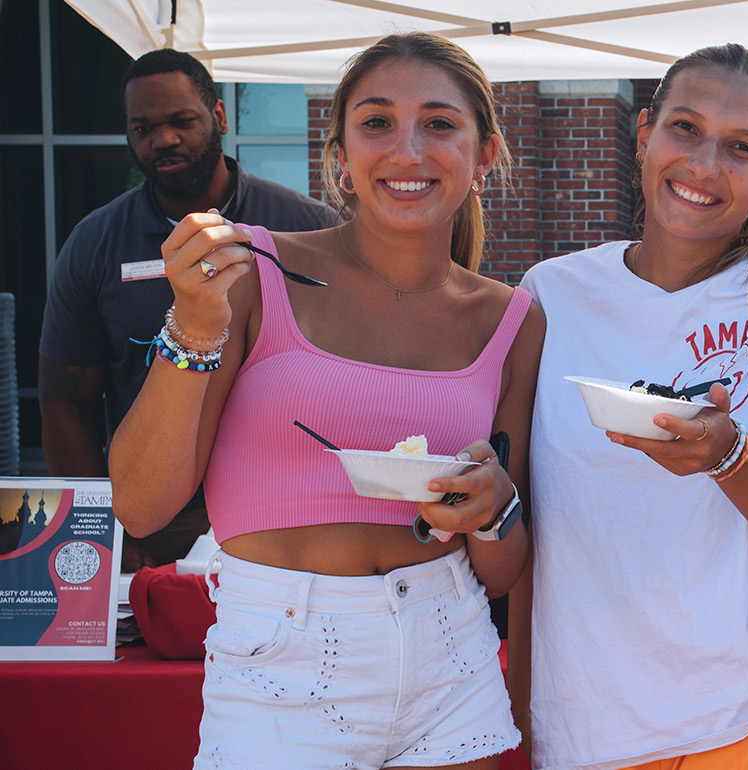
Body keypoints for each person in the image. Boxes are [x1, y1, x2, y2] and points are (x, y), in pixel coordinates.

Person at [107, 32, 543, 769]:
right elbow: (142, 506)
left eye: (439, 123)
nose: (407, 150)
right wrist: (192, 326)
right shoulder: (249, 271)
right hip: (278, 664)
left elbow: (501, 572)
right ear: (339, 156)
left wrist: (493, 507)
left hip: (450, 656)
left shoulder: (513, 319)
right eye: (376, 122)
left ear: (485, 155)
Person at [514, 44, 748, 770]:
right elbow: (533, 526)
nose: (705, 165)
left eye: (742, 148)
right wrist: (525, 708)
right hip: (588, 728)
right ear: (644, 134)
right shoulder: (550, 294)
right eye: (684, 128)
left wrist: (730, 457)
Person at [40, 49, 339, 571]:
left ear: (219, 118)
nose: (164, 140)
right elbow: (65, 401)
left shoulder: (307, 228)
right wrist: (104, 532)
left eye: (182, 121)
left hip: (291, 508)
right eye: (144, 128)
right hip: (157, 519)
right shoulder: (95, 244)